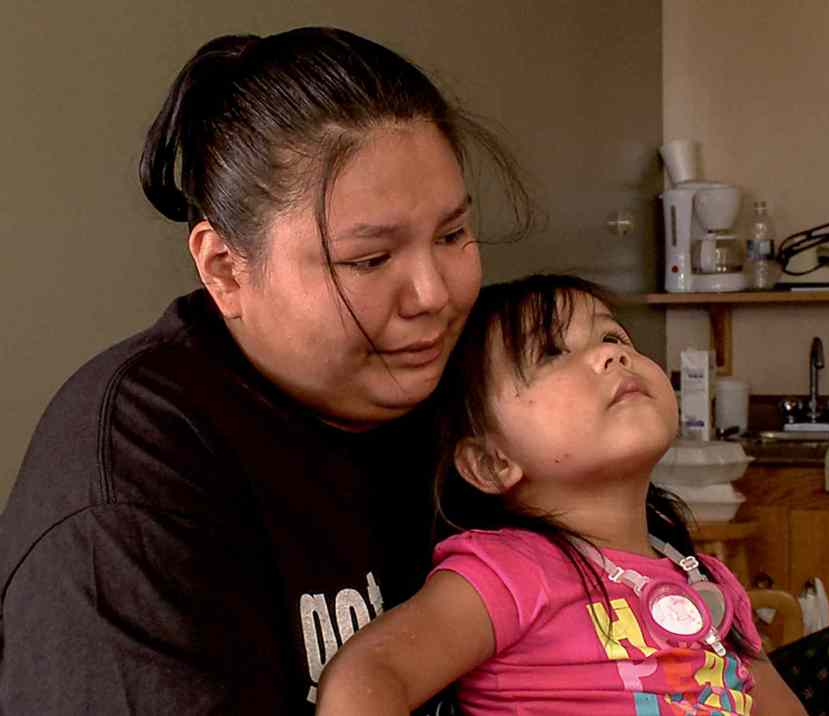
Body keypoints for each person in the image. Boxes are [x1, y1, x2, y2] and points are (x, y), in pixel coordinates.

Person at [0, 27, 534, 714]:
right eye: (369, 261)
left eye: (454, 235)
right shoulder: (134, 469)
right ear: (225, 269)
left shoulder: (487, 388)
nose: (434, 294)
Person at [317, 274, 807, 715]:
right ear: (491, 464)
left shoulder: (709, 582)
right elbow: (369, 676)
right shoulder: (509, 572)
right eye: (551, 353)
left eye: (613, 336)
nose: (612, 354)